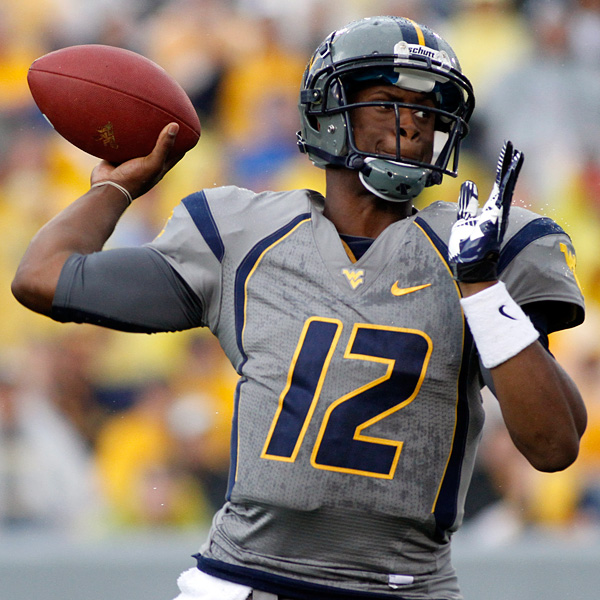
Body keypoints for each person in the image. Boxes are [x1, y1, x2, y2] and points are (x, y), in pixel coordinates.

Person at [11, 15, 587, 600]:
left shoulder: (480, 249)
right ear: (327, 112)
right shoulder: (243, 237)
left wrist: (483, 288)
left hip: (403, 587)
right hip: (243, 579)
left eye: (426, 108)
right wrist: (118, 187)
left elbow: (554, 446)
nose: (412, 121)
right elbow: (43, 278)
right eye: (387, 101)